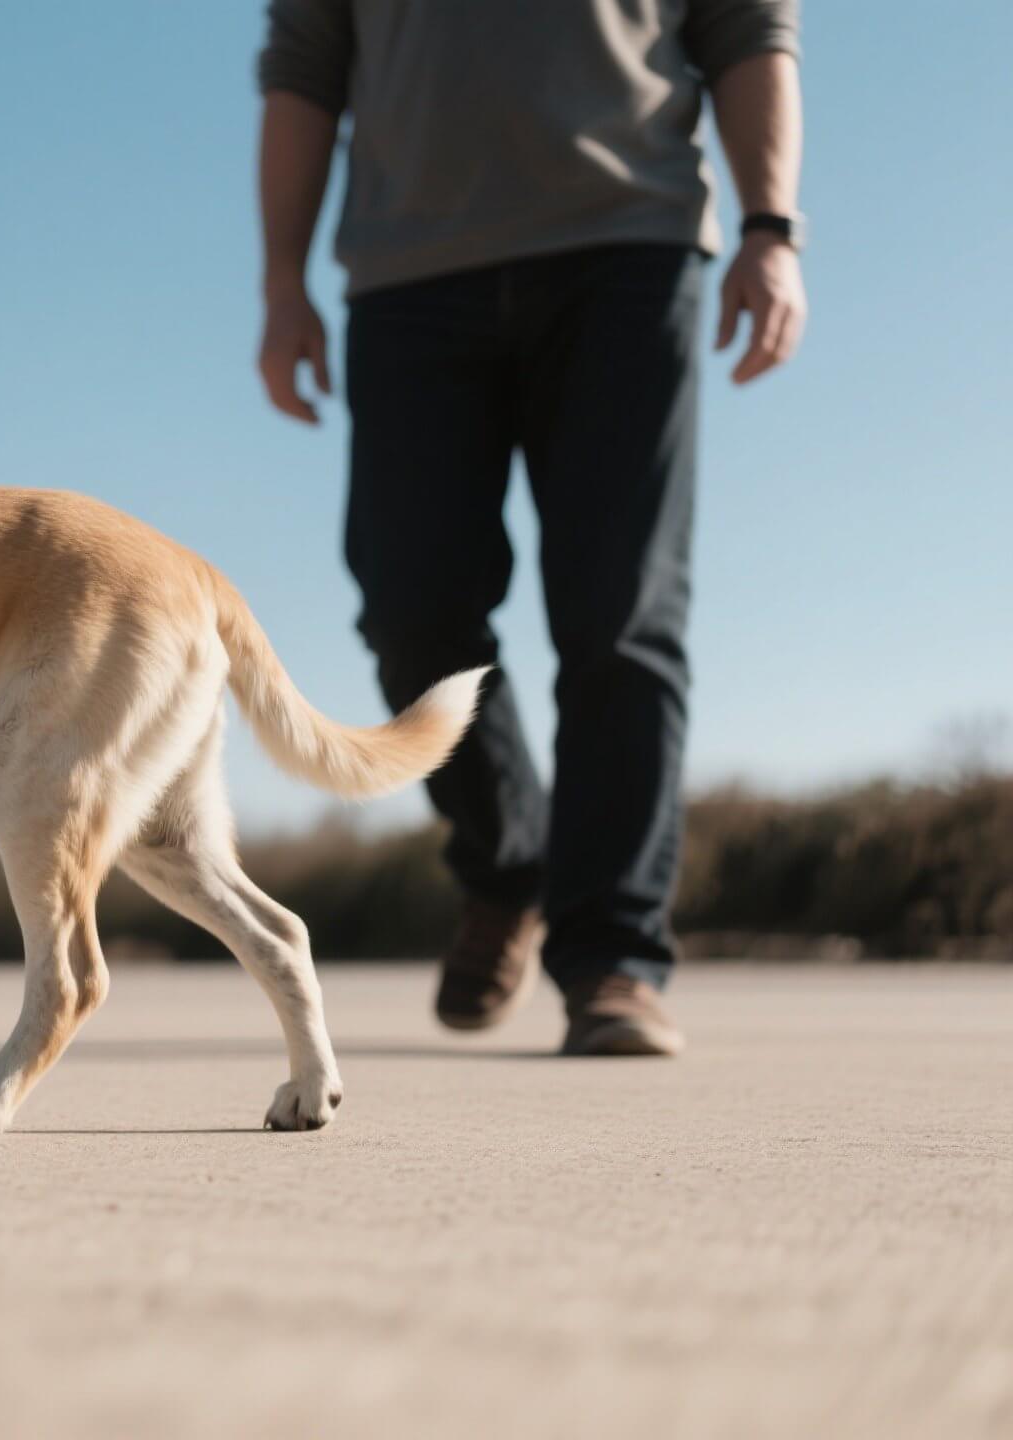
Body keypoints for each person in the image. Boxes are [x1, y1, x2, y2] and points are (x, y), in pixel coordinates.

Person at [253, 1, 806, 1055]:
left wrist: (769, 229)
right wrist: (282, 283)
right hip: (407, 278)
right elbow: (302, 73)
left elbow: (746, 32)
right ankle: (509, 863)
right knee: (410, 608)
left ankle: (611, 959)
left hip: (625, 250)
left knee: (621, 613)